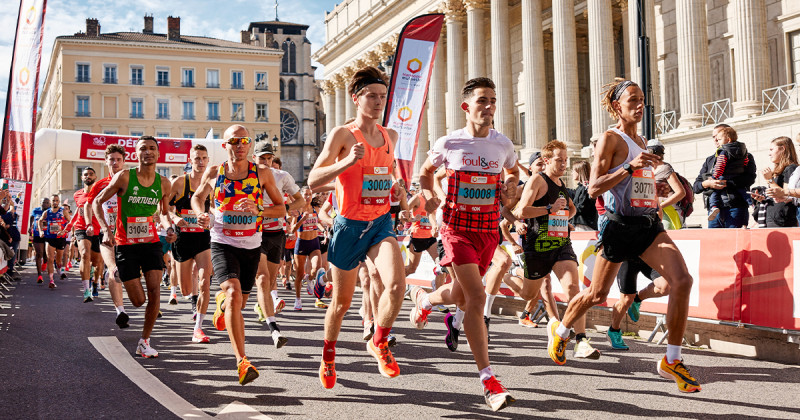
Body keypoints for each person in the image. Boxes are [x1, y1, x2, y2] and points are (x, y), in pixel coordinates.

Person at [547, 79, 700, 393]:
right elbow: (594, 188)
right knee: (597, 294)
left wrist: (652, 193)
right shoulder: (610, 138)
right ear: (618, 106)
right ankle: (561, 332)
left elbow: (637, 186)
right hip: (618, 227)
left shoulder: (642, 141)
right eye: (633, 100)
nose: (639, 105)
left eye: (642, 99)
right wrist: (630, 167)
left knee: (682, 280)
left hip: (647, 225)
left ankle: (672, 359)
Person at [410, 77, 519, 411]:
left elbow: (513, 172)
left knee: (460, 295)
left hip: (488, 229)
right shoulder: (450, 142)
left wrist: (510, 188)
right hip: (456, 228)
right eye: (482, 100)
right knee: (476, 296)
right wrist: (430, 196)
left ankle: (426, 299)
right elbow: (425, 172)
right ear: (466, 107)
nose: (489, 107)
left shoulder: (502, 144)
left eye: (493, 100)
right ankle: (489, 380)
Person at [307, 66, 405, 390]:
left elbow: (384, 177)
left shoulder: (390, 136)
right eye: (371, 96)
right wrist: (347, 161)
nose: (378, 102)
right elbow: (313, 180)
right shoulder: (343, 135)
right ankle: (328, 355)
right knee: (341, 304)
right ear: (356, 98)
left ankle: (379, 341)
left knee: (396, 286)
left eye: (382, 96)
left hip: (380, 223)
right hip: (348, 227)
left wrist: (396, 190)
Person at [191, 125, 286, 385]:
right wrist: (201, 213)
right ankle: (242, 361)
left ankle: (222, 303)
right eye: (235, 141)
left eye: (245, 141)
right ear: (225, 146)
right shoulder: (215, 172)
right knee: (234, 293)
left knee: (240, 303)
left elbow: (281, 209)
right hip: (222, 242)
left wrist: (259, 210)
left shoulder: (262, 173)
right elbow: (198, 197)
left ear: (250, 144)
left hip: (252, 246)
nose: (240, 145)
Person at [509, 139, 599, 359]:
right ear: (547, 160)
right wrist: (549, 209)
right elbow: (521, 212)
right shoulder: (537, 180)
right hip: (537, 247)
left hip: (560, 244)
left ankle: (581, 341)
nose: (563, 164)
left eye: (565, 160)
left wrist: (564, 218)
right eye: (559, 160)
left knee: (573, 290)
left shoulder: (560, 184)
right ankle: (510, 273)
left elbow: (572, 208)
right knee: (528, 294)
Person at [92, 136, 176, 358]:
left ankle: (144, 342)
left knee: (155, 291)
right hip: (126, 245)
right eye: (143, 149)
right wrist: (105, 229)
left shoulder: (164, 183)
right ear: (136, 154)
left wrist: (169, 228)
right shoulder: (125, 177)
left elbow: (163, 213)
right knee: (139, 301)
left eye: (152, 148)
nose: (148, 152)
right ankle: (119, 273)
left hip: (150, 243)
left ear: (158, 153)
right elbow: (97, 201)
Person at [251, 141, 305, 348]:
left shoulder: (282, 176)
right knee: (262, 278)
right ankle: (274, 329)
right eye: (261, 158)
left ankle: (262, 305)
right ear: (253, 158)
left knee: (270, 280)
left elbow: (300, 201)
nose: (265, 162)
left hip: (276, 233)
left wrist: (284, 209)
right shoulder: (247, 177)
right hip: (254, 233)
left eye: (269, 158)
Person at [166, 144, 213, 343]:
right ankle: (192, 298)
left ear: (208, 160)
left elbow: (217, 207)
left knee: (204, 281)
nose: (201, 162)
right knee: (185, 289)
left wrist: (212, 217)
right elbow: (164, 208)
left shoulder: (212, 184)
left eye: (204, 158)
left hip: (203, 239)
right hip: (182, 239)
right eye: (197, 158)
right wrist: (175, 219)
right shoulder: (179, 183)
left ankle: (198, 327)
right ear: (190, 160)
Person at [84, 143, 130, 328]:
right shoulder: (100, 185)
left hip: (129, 235)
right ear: (106, 162)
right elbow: (89, 205)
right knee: (114, 270)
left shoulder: (131, 182)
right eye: (112, 160)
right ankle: (120, 311)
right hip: (107, 234)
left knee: (132, 272)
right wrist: (90, 224)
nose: (115, 163)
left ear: (124, 161)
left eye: (119, 159)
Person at [693, 124, 756, 228]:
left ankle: (752, 204)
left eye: (718, 136)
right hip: (714, 211)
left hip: (736, 207)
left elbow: (750, 179)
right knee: (715, 238)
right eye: (713, 137)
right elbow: (696, 187)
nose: (715, 140)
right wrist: (707, 184)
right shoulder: (710, 160)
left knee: (735, 238)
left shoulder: (745, 155)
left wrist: (727, 183)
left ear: (728, 137)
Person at [67, 167, 105, 302]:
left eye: (91, 174)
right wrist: (70, 225)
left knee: (97, 262)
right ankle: (86, 290)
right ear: (82, 178)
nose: (88, 176)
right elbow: (79, 210)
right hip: (82, 228)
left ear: (95, 177)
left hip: (98, 230)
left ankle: (94, 283)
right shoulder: (77, 194)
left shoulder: (102, 194)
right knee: (84, 254)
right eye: (85, 174)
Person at [647, 139, 687, 230]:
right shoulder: (647, 169)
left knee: (667, 236)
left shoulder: (665, 168)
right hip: (652, 212)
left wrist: (660, 206)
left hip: (668, 212)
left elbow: (681, 192)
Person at [38, 194, 67, 288]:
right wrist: (41, 231)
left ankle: (58, 268)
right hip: (50, 237)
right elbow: (40, 221)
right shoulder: (47, 212)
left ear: (59, 201)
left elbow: (70, 222)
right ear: (51, 202)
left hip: (60, 238)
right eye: (53, 200)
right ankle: (51, 280)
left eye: (57, 200)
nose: (55, 202)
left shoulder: (63, 211)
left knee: (58, 260)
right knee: (50, 259)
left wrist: (64, 231)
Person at [569, 160, 597, 231]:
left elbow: (582, 207)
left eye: (573, 171)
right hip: (579, 223)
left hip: (583, 225)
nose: (572, 173)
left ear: (579, 172)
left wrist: (570, 210)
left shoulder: (586, 188)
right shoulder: (580, 187)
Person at [30, 197, 51, 283]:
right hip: (37, 234)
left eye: (47, 202)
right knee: (39, 253)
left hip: (48, 235)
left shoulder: (51, 211)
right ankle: (39, 275)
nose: (45, 204)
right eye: (44, 202)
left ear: (49, 204)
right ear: (41, 203)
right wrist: (30, 227)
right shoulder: (36, 210)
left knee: (46, 254)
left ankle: (45, 262)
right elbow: (32, 217)